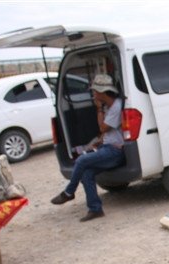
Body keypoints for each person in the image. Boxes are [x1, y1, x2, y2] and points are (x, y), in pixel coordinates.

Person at [51, 73, 125, 222]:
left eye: (95, 91)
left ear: (102, 92)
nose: (94, 94)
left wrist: (99, 109)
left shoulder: (116, 106)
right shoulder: (110, 106)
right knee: (87, 173)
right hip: (108, 147)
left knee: (82, 160)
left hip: (115, 151)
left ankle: (69, 192)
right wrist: (100, 139)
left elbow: (103, 127)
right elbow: (105, 131)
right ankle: (95, 209)